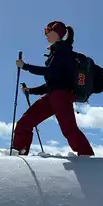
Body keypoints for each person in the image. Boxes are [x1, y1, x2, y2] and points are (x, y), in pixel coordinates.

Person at [12, 21, 94, 156]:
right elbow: (52, 82)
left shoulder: (64, 51)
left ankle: (86, 157)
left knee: (69, 129)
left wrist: (25, 66)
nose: (45, 35)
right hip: (53, 95)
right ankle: (19, 152)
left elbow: (49, 73)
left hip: (61, 96)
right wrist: (31, 91)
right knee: (25, 122)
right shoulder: (56, 52)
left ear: (57, 34)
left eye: (47, 31)